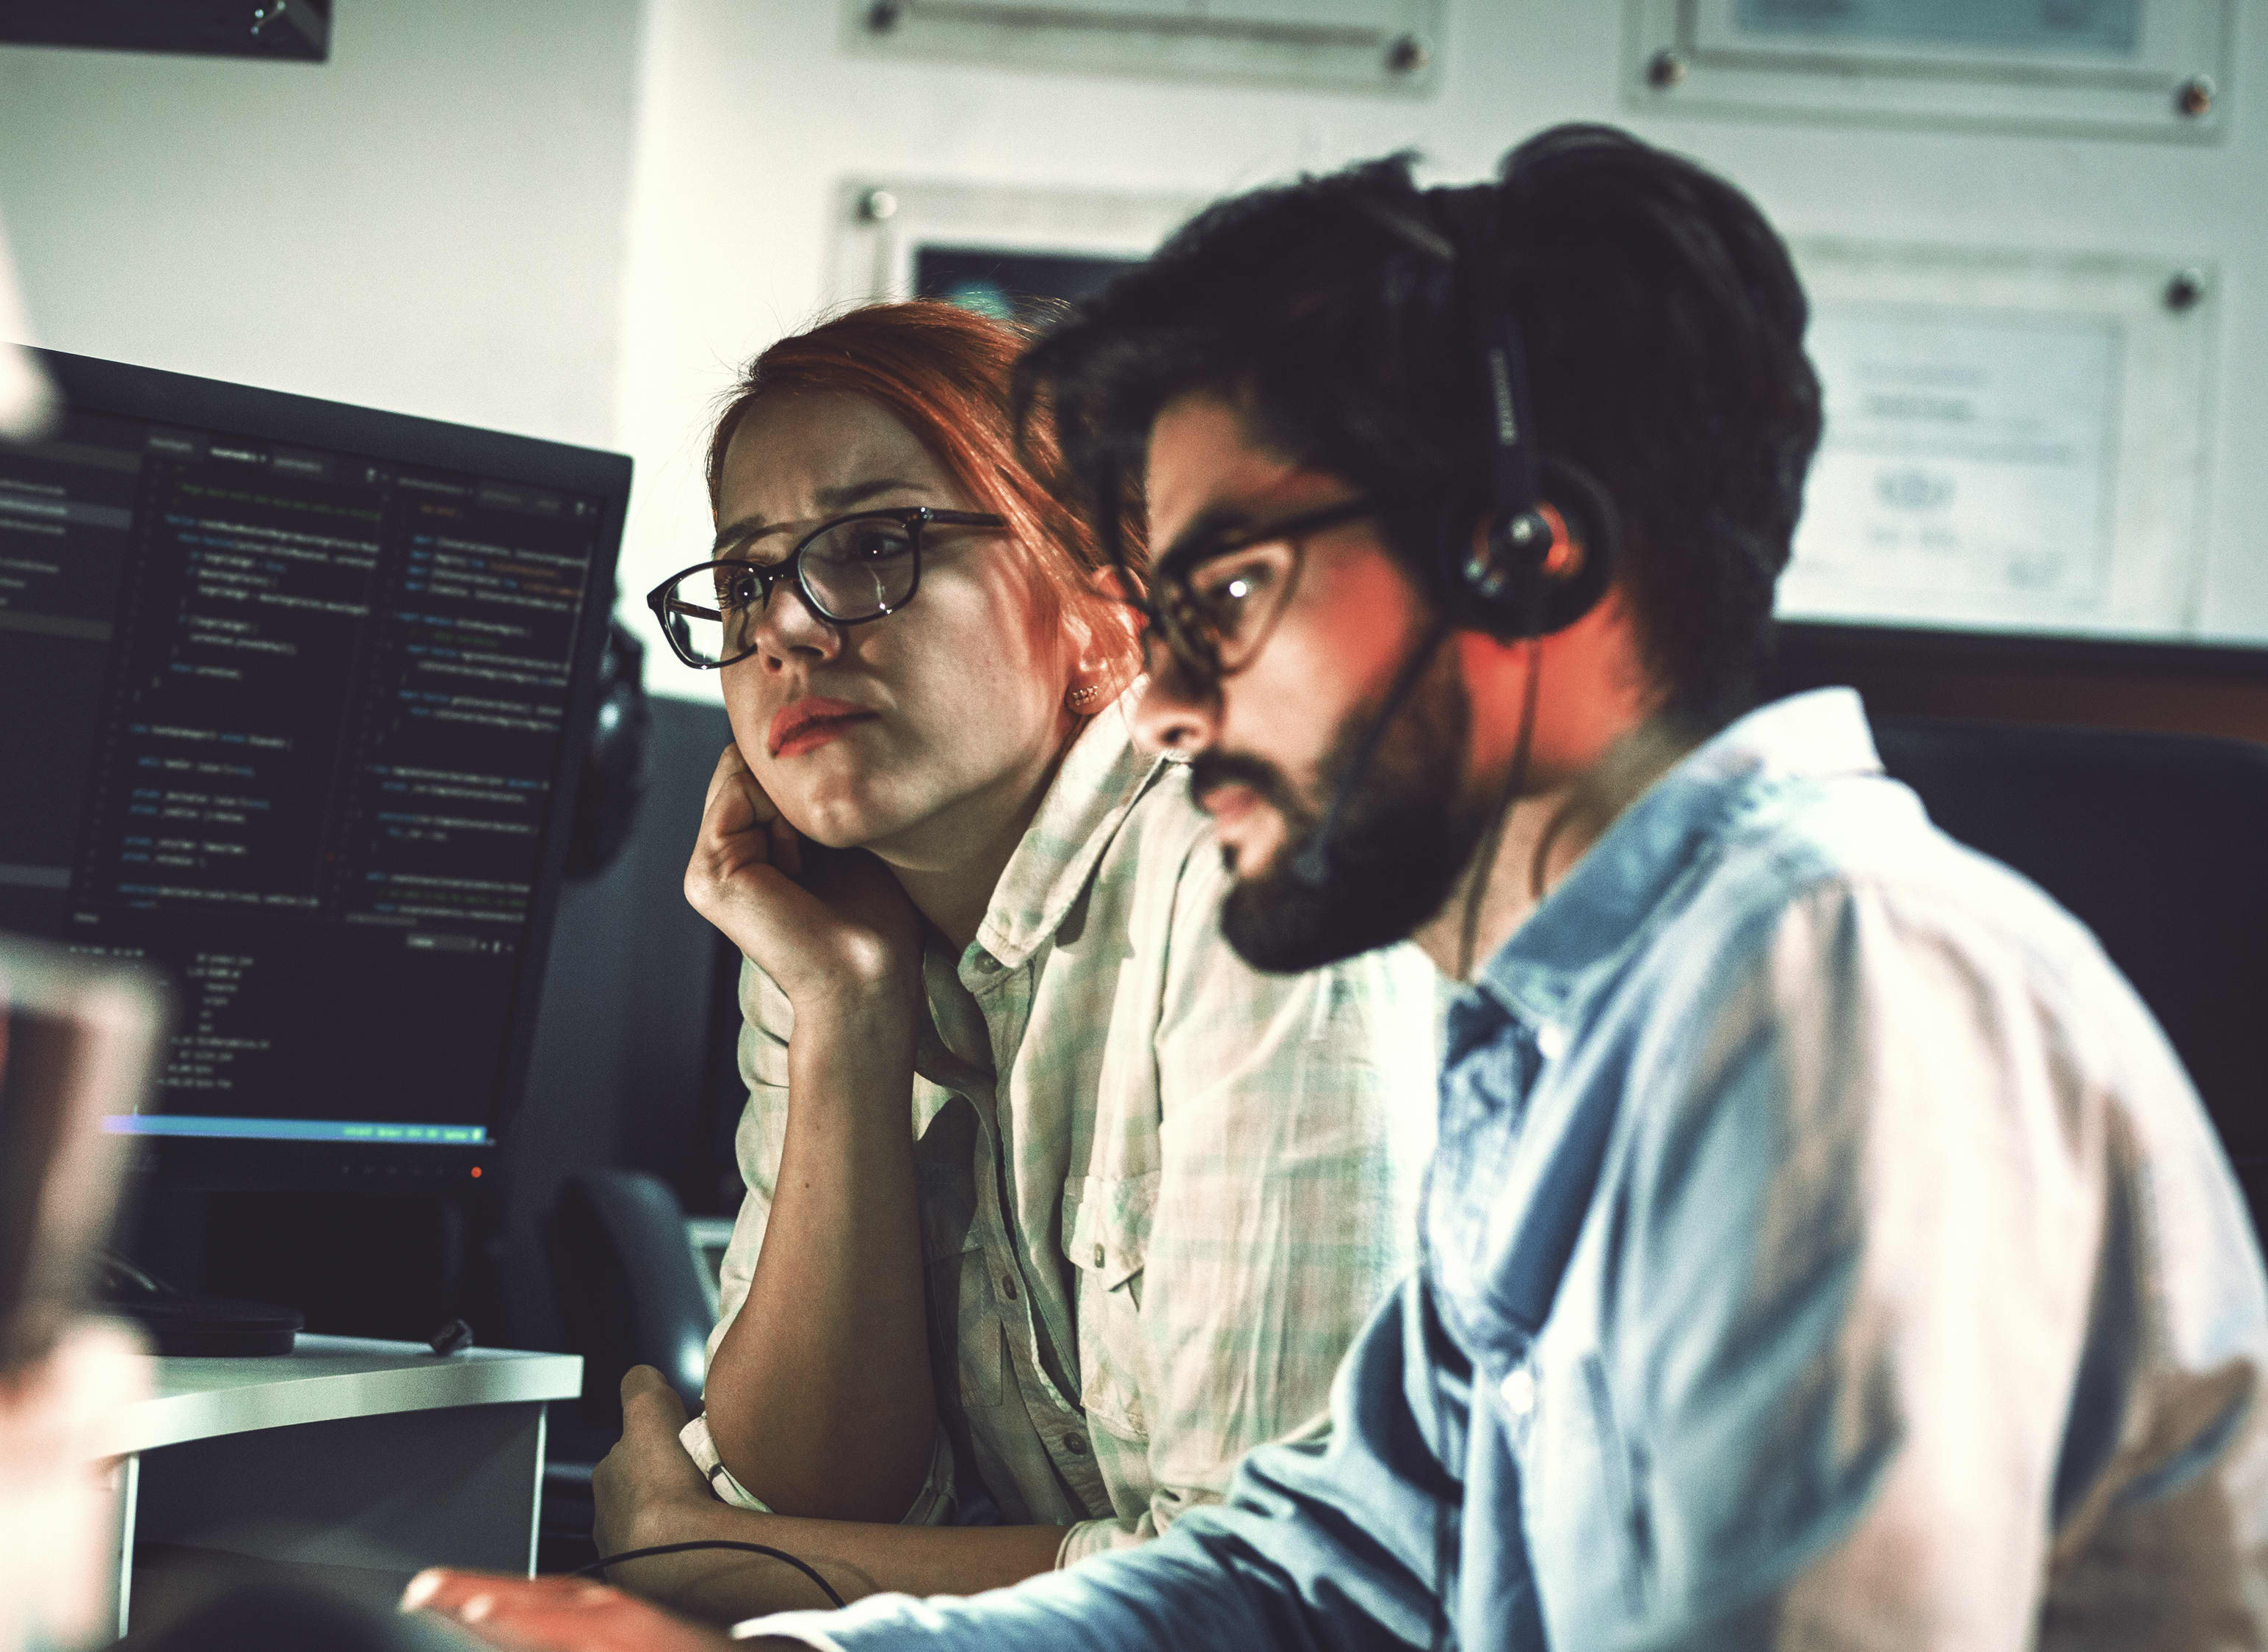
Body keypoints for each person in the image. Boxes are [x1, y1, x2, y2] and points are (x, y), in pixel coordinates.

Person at [410, 126, 2268, 1649]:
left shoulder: (1821, 996)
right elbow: (1310, 1577)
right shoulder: (1569, 1038)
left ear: (1518, 559)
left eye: (1219, 601)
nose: (1161, 696)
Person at [598, 300, 1441, 1617]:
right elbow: (815, 1488)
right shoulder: (833, 932)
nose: (788, 633)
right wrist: (850, 1013)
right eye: (751, 576)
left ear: (1100, 597)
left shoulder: (1260, 881)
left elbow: (1300, 1592)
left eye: (874, 546)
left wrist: (717, 1557)